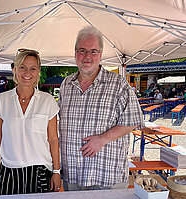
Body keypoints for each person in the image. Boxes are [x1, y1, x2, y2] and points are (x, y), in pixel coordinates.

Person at [58, 26, 144, 190]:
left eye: (93, 51)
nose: (87, 56)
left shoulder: (118, 84)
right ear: (75, 53)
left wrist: (103, 138)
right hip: (72, 174)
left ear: (101, 55)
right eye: (82, 50)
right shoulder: (66, 84)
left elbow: (133, 121)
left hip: (106, 175)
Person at [0, 49, 61, 194]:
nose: (27, 73)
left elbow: (53, 140)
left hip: (40, 172)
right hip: (9, 171)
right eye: (22, 67)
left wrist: (56, 171)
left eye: (32, 68)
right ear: (14, 69)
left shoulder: (47, 100)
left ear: (38, 72)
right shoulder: (1, 100)